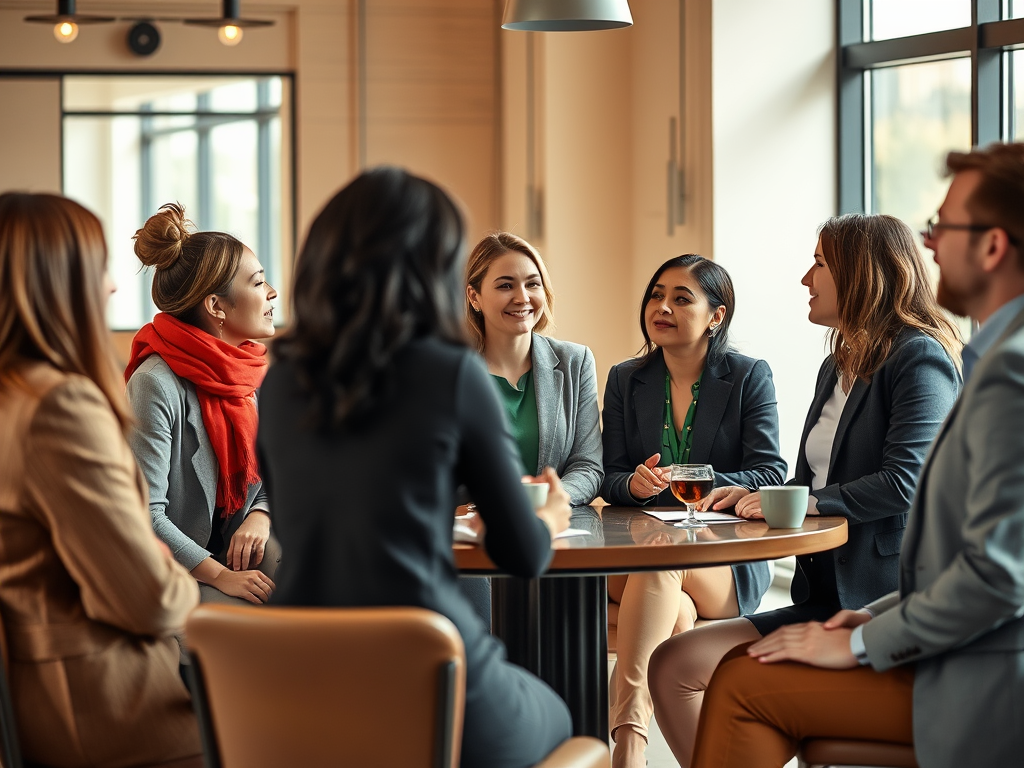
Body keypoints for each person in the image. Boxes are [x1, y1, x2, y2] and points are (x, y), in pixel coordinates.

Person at [686, 143, 1024, 768]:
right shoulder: (986, 363)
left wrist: (868, 636)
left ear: (993, 246)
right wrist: (866, 621)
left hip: (987, 678)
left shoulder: (1001, 371)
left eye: (941, 228)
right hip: (908, 620)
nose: (928, 245)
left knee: (741, 683)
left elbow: (999, 575)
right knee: (735, 674)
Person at [257, 167, 574, 768]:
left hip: (307, 670)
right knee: (562, 715)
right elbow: (523, 556)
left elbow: (293, 520)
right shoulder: (452, 372)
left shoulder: (282, 379)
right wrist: (551, 517)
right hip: (428, 665)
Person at [648, 214, 962, 767]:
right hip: (822, 598)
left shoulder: (919, 357)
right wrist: (738, 494)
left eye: (818, 263)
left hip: (877, 605)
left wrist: (809, 503)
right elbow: (808, 481)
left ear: (860, 272)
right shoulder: (834, 364)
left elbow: (908, 481)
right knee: (676, 663)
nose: (805, 278)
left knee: (714, 676)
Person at [0, 192, 202, 768]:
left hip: (39, 705)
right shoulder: (60, 408)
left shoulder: (14, 397)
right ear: (55, 282)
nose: (113, 286)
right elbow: (151, 600)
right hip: (107, 711)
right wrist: (184, 579)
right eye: (101, 267)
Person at [599, 254, 787, 768]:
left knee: (661, 569)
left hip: (719, 561)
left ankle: (628, 745)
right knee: (671, 607)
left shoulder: (749, 376)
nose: (662, 307)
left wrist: (704, 481)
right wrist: (634, 485)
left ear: (716, 316)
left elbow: (771, 472)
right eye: (657, 295)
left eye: (681, 298)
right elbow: (608, 476)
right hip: (640, 554)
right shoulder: (625, 379)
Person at [125, 203, 280, 606]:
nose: (272, 292)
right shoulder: (154, 384)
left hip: (239, 551)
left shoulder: (248, 372)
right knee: (266, 634)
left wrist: (261, 516)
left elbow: (275, 473)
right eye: (259, 282)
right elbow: (146, 514)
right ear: (216, 307)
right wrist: (220, 576)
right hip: (179, 568)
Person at [465, 232, 602, 504]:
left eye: (533, 284)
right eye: (506, 286)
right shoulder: (448, 372)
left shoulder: (576, 361)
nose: (522, 297)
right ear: (474, 297)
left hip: (554, 530)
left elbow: (588, 466)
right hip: (470, 530)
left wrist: (543, 501)